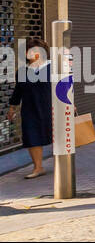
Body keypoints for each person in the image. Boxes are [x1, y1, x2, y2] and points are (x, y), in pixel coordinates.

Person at [5, 38, 54, 179]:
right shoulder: (22, 71)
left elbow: (64, 88)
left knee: (57, 137)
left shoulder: (53, 68)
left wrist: (70, 103)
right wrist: (12, 108)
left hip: (49, 108)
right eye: (30, 50)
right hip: (30, 109)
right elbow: (18, 92)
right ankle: (38, 167)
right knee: (32, 137)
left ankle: (63, 163)